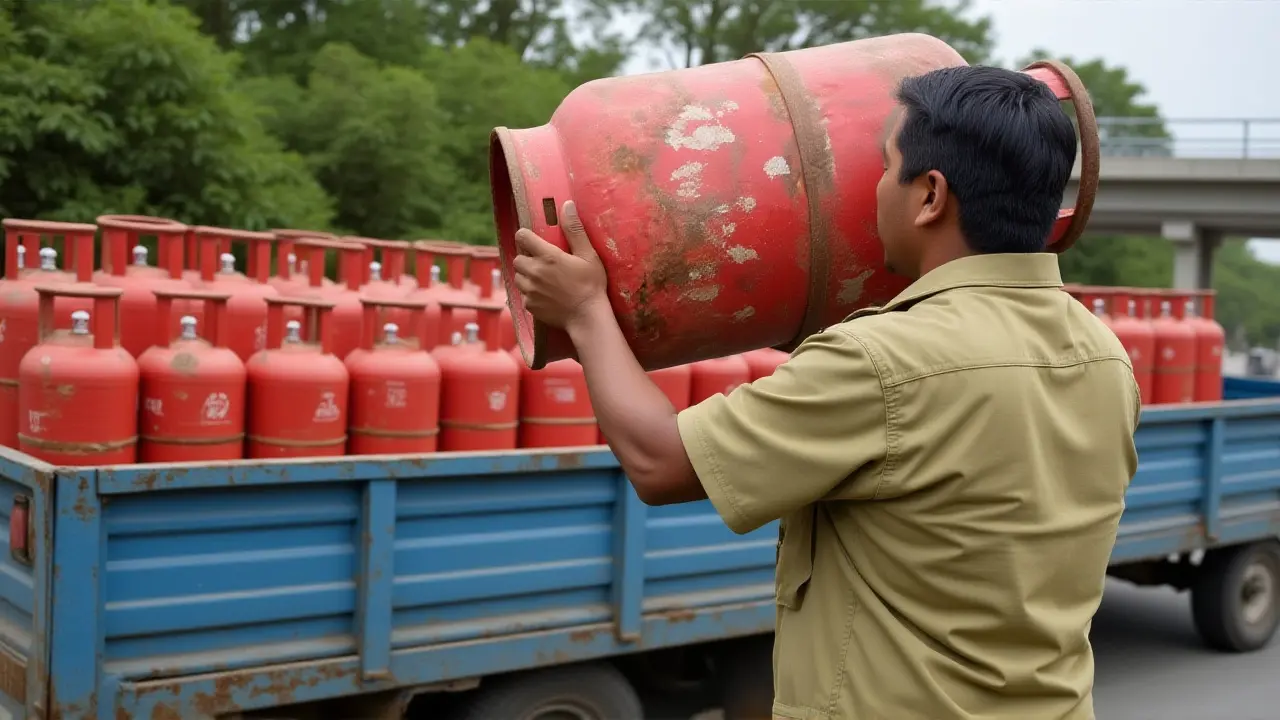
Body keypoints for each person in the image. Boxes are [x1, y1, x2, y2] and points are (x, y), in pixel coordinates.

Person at [511, 65, 1139, 720]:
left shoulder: (883, 363)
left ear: (930, 196)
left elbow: (659, 461)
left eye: (884, 165)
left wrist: (585, 310)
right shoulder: (1103, 356)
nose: (869, 190)